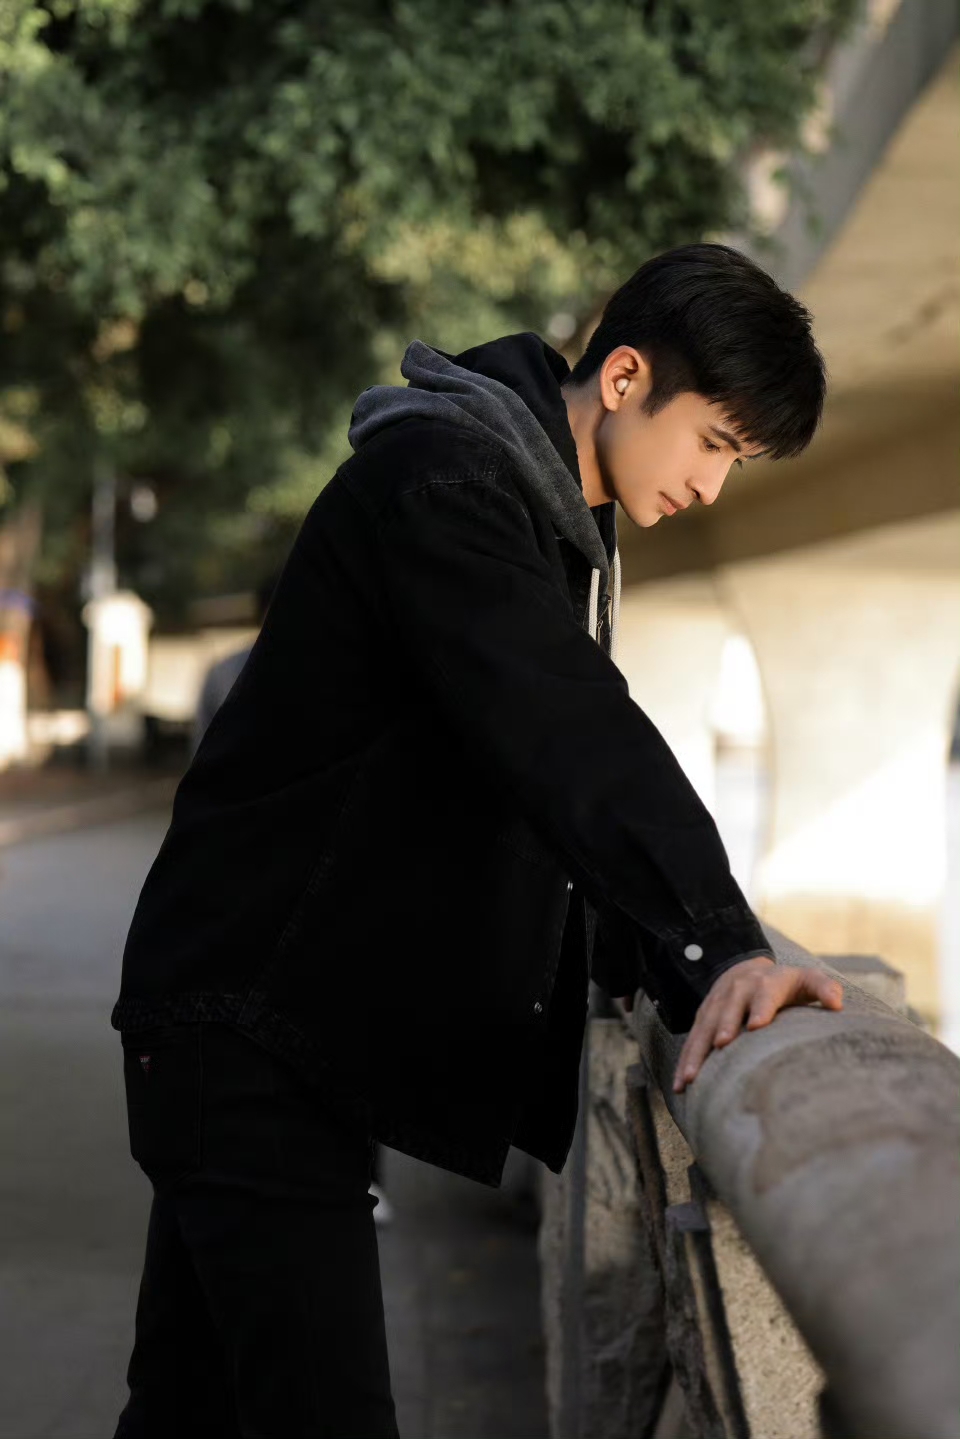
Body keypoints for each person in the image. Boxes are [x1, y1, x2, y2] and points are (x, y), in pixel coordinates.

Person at [110, 243, 843, 1438]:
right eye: (713, 442)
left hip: (258, 1025)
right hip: (246, 1032)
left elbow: (525, 783)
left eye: (737, 461)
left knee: (192, 1412)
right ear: (624, 378)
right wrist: (719, 943)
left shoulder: (527, 510)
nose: (713, 487)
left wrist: (660, 959)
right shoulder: (446, 484)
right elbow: (563, 729)